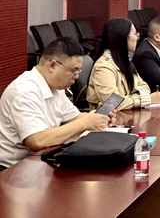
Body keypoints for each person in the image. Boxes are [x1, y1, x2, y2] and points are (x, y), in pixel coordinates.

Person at [0, 38, 114, 170]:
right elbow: (37, 140)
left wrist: (97, 118)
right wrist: (85, 123)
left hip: (44, 159)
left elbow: (74, 118)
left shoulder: (56, 87)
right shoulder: (24, 92)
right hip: (15, 169)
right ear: (52, 65)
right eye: (74, 70)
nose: (76, 76)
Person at [87, 18, 160, 110]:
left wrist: (133, 98)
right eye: (135, 34)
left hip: (128, 113)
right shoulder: (104, 67)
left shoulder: (124, 60)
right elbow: (112, 103)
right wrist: (146, 99)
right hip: (109, 117)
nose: (137, 38)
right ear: (124, 38)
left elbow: (144, 86)